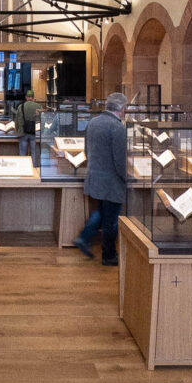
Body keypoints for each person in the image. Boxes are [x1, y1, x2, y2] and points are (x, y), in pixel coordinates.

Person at [73, 91, 128, 265]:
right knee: (110, 220)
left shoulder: (93, 123)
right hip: (112, 181)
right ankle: (109, 255)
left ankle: (84, 237)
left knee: (102, 211)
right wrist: (126, 177)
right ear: (122, 109)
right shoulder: (118, 127)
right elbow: (120, 159)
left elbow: (87, 150)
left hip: (95, 176)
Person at [15, 89, 42, 163]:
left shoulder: (21, 106)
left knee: (22, 153)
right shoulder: (38, 106)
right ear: (33, 97)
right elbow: (41, 120)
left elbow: (17, 120)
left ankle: (23, 169)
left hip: (23, 132)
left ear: (26, 97)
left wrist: (17, 130)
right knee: (34, 153)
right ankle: (33, 170)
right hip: (34, 132)